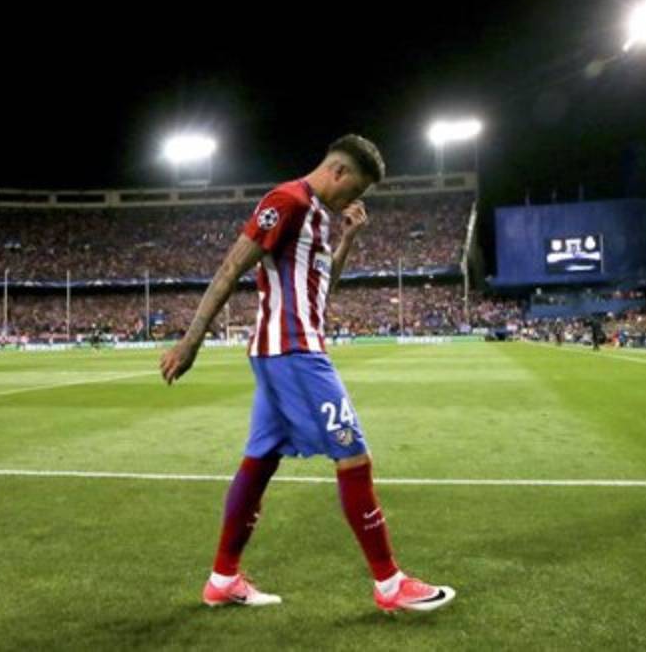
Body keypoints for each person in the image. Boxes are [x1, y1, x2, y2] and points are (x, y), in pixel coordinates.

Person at [159, 135, 455, 613]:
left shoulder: (319, 216)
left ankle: (223, 578)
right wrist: (190, 340)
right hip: (293, 351)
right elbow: (231, 266)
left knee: (260, 461)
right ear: (338, 172)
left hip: (291, 350)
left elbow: (321, 288)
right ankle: (389, 584)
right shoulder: (288, 201)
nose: (353, 200)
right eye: (354, 189)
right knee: (353, 455)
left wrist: (348, 239)